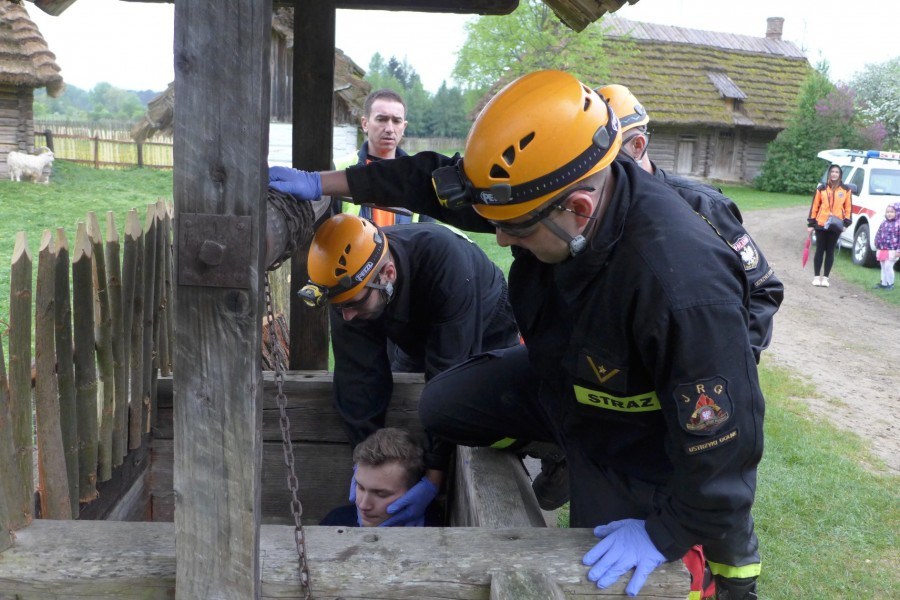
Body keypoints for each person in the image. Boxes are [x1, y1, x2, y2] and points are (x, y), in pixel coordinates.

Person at [270, 70, 765, 599]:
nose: (500, 237)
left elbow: (724, 445)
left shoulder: (682, 286)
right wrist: (322, 183)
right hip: (565, 380)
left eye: (515, 227)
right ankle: (559, 448)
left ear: (579, 210)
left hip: (639, 428)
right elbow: (430, 183)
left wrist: (664, 532)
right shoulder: (548, 187)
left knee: (605, 575)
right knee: (442, 405)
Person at [299, 212, 520, 525]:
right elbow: (358, 380)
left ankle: (548, 455)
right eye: (340, 307)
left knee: (489, 408)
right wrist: (364, 462)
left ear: (388, 274)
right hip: (405, 327)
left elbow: (447, 382)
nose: (347, 316)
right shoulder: (348, 289)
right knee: (403, 385)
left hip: (484, 321)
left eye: (354, 305)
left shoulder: (445, 265)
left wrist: (434, 480)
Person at [596, 83, 783, 363]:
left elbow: (763, 288)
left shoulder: (703, 206)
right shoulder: (591, 212)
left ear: (637, 146)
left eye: (605, 159)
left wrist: (734, 360)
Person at [320, 427, 441, 527]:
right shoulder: (335, 522)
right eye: (360, 487)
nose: (363, 505)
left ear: (414, 491)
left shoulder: (436, 528)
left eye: (381, 494)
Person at [354, 89, 433, 225]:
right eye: (381, 119)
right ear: (365, 124)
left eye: (396, 121)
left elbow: (428, 232)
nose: (390, 129)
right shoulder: (341, 168)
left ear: (404, 127)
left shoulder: (419, 177)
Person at [807, 164, 853, 287]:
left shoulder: (846, 190)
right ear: (829, 173)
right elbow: (815, 206)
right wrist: (811, 223)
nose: (834, 174)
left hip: (836, 224)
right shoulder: (821, 188)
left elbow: (848, 208)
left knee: (830, 250)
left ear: (840, 174)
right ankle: (816, 277)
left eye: (837, 172)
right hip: (821, 223)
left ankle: (826, 278)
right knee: (820, 249)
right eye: (832, 171)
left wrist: (846, 223)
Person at [873, 202, 900, 290]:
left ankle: (890, 284)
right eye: (887, 212)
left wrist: (898, 250)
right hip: (883, 249)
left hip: (892, 250)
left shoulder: (898, 224)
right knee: (883, 266)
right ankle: (884, 283)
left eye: (892, 212)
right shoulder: (884, 223)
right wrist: (876, 242)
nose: (889, 214)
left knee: (888, 266)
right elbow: (879, 233)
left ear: (897, 212)